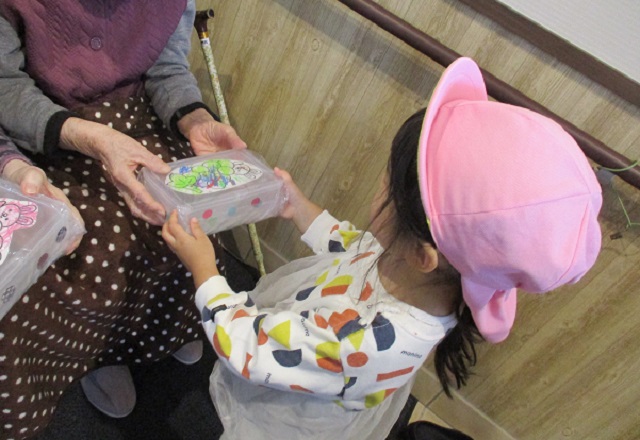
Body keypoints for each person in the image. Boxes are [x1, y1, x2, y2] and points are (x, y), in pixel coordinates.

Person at [162, 57, 603, 439]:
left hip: (287, 406)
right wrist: (300, 208)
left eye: (387, 186)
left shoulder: (371, 345)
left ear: (424, 255)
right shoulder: (426, 275)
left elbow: (248, 349)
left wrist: (206, 270)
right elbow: (354, 248)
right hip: (310, 342)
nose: (380, 185)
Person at [0, 1, 246, 438]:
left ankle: (165, 332)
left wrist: (194, 117)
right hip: (51, 127)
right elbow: (6, 87)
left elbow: (166, 68)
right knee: (93, 252)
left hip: (137, 118)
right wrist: (90, 138)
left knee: (184, 224)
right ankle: (101, 353)